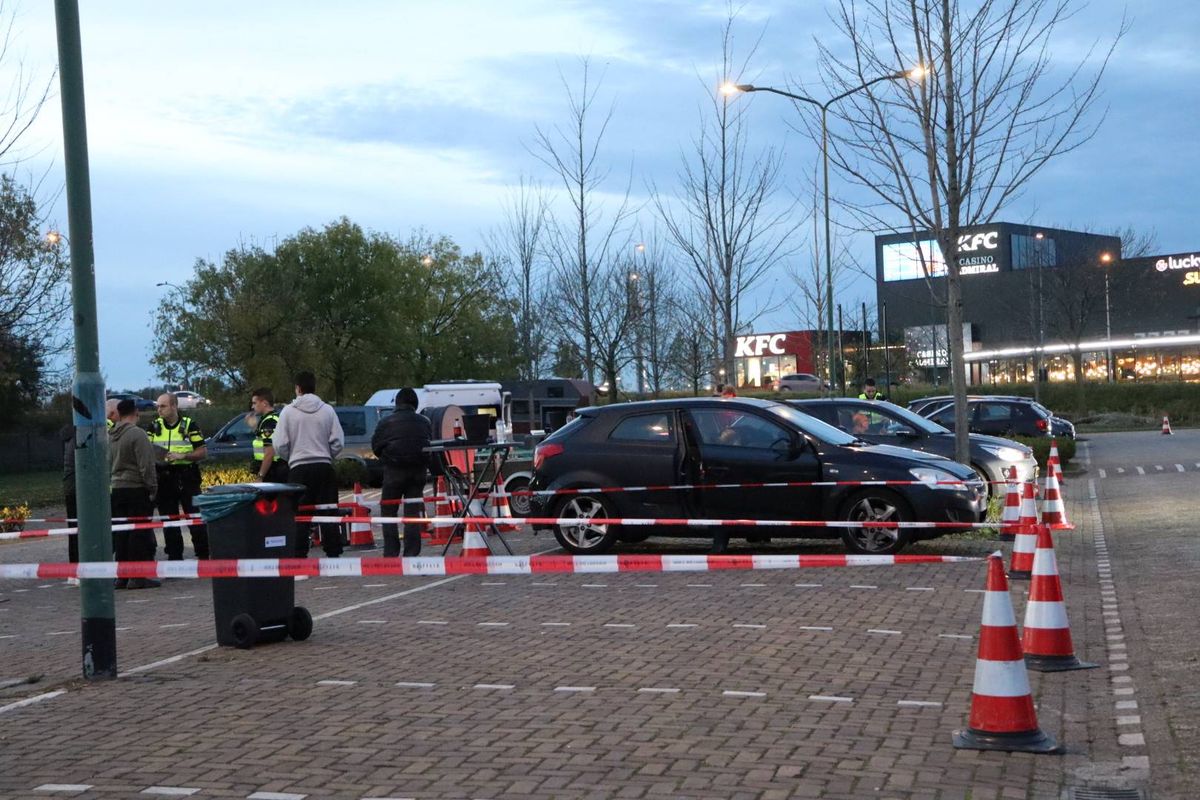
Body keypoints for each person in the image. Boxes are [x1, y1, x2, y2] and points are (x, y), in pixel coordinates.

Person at [274, 371, 345, 558]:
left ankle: (299, 554)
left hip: (298, 469)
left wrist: (292, 457)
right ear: (314, 387)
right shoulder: (328, 410)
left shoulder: (288, 412)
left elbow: (280, 443)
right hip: (323, 467)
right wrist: (327, 455)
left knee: (299, 515)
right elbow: (338, 441)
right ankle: (334, 553)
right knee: (328, 511)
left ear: (297, 388)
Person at [371, 387, 432, 557]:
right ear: (415, 404)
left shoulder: (385, 422)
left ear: (397, 403)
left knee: (388, 512)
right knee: (412, 512)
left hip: (394, 472)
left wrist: (388, 456)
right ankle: (412, 552)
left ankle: (391, 551)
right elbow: (430, 445)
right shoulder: (424, 421)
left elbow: (376, 447)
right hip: (418, 473)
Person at [149, 393, 209, 560]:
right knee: (169, 520)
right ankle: (174, 557)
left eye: (163, 406)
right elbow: (147, 451)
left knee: (194, 517)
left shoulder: (189, 425)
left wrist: (184, 456)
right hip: (164, 477)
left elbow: (202, 451)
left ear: (174, 406)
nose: (159, 410)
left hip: (186, 475)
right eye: (158, 406)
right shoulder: (154, 426)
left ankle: (203, 554)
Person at [109, 399, 160, 589]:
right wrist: (152, 487)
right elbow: (146, 465)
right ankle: (138, 577)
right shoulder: (137, 435)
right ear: (135, 412)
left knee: (121, 533)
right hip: (136, 488)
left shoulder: (111, 435)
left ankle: (121, 576)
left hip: (117, 488)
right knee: (138, 532)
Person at [249, 388, 288, 483]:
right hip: (274, 470)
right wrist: (254, 427)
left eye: (254, 403)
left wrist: (260, 476)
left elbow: (269, 452)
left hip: (273, 472)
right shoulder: (271, 418)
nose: (252, 407)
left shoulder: (269, 422)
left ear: (264, 403)